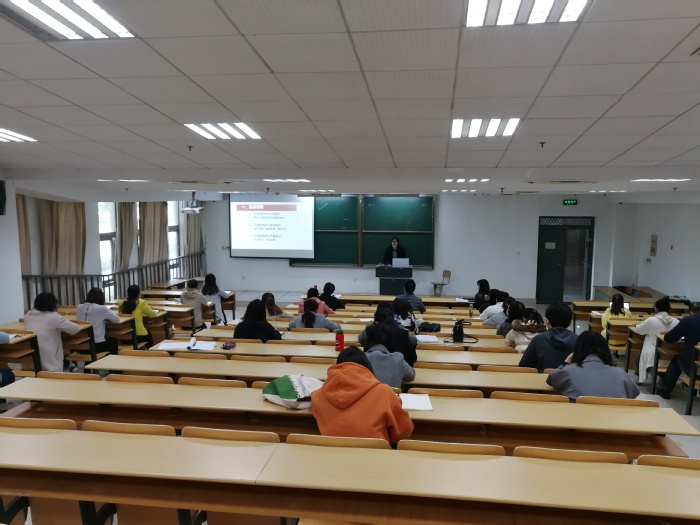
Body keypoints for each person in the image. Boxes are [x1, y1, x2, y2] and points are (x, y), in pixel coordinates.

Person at [311, 347, 414, 443]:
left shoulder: (318, 396)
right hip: (376, 454)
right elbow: (403, 432)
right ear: (367, 366)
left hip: (331, 454)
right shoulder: (385, 393)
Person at [547, 331, 640, 401]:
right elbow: (634, 393)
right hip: (614, 419)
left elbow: (551, 379)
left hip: (580, 419)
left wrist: (566, 363)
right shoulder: (621, 374)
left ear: (577, 350)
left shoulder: (568, 372)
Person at [24, 292, 81, 372]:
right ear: (52, 304)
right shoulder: (53, 316)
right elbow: (75, 329)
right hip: (50, 364)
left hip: (31, 360)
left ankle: (67, 364)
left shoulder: (27, 316)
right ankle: (68, 364)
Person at [656, 302, 700, 400]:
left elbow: (669, 338)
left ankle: (665, 390)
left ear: (690, 312)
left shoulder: (688, 321)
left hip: (695, 367)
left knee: (678, 359)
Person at [519, 303, 578, 373]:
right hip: (569, 379)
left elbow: (524, 367)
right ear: (570, 322)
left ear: (547, 321)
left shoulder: (538, 340)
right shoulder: (579, 341)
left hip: (541, 379)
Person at [635, 298, 679, 384]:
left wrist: (637, 326)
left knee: (640, 355)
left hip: (652, 351)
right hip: (670, 352)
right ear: (669, 309)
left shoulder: (651, 320)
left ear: (656, 309)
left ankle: (639, 376)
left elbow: (639, 331)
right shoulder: (676, 321)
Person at [363, 324, 415, 388]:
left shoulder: (361, 358)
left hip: (369, 394)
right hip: (392, 394)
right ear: (391, 341)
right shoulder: (398, 358)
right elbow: (411, 375)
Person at [76, 287, 120, 355]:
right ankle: (110, 360)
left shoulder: (79, 307)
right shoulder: (102, 308)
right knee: (113, 341)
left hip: (80, 346)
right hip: (96, 346)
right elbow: (116, 319)